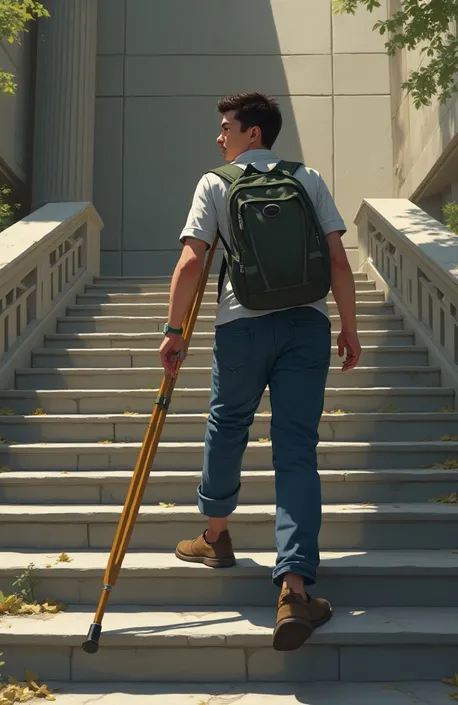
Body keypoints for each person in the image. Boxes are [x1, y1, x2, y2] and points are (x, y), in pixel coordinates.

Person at [159, 92, 361, 651]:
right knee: (296, 450)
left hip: (241, 327)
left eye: (226, 127)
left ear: (253, 133)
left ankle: (216, 537)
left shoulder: (216, 182)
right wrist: (348, 326)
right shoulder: (309, 177)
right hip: (306, 325)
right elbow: (339, 259)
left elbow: (193, 259)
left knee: (227, 427)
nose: (218, 137)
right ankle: (294, 590)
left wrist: (174, 331)